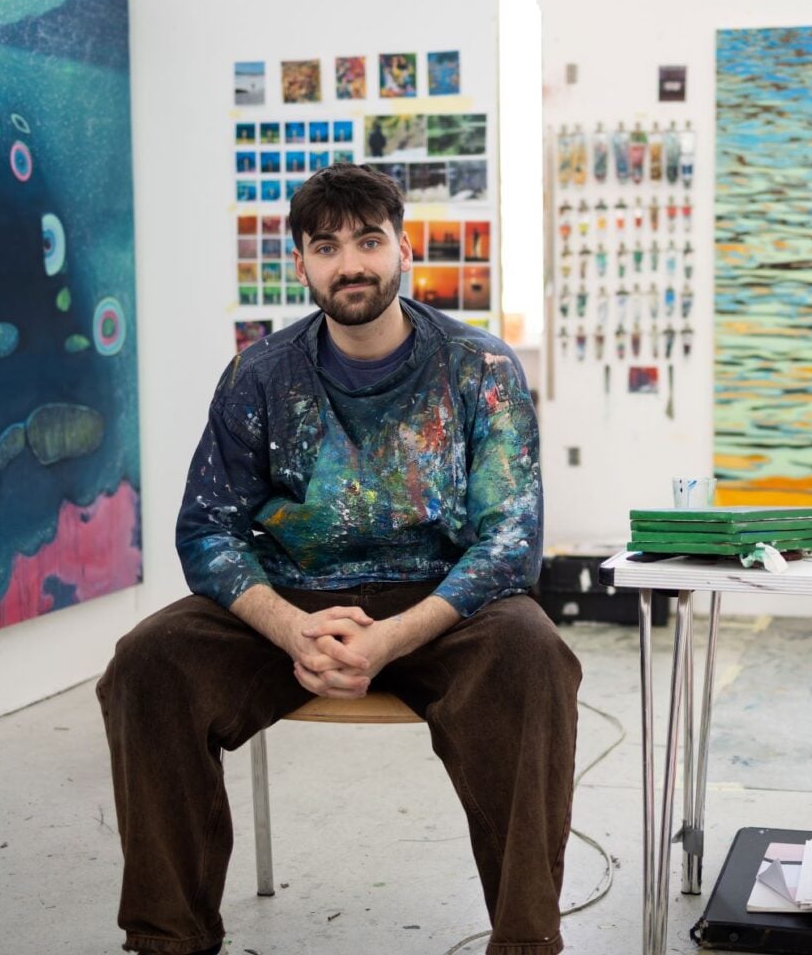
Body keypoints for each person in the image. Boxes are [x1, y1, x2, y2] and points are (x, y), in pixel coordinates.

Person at [97, 164, 578, 955]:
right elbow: (207, 532)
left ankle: (526, 942)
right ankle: (167, 939)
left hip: (440, 604)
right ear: (300, 263)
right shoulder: (259, 375)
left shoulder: (478, 368)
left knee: (534, 658)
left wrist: (390, 639)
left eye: (368, 240)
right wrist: (289, 629)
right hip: (297, 602)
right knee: (146, 664)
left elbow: (509, 544)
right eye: (326, 246)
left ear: (402, 250)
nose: (349, 262)